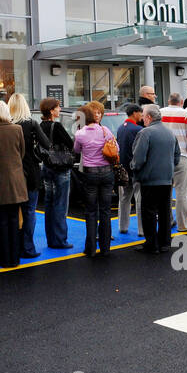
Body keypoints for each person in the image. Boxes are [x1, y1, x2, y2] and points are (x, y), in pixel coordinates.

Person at [0, 100, 27, 268]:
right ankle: (15, 258)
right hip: (16, 180)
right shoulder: (17, 129)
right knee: (15, 220)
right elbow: (21, 152)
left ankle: (4, 259)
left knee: (0, 221)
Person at [130, 104, 179, 252]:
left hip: (150, 179)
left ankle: (152, 244)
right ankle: (164, 242)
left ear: (149, 117)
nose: (142, 118)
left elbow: (138, 159)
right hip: (167, 178)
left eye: (144, 115)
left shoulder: (146, 133)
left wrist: (133, 167)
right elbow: (177, 156)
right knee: (164, 211)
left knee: (149, 212)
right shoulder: (170, 133)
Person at [72, 102, 116, 257]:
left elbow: (76, 150)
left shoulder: (80, 134)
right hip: (106, 172)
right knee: (105, 211)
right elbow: (116, 148)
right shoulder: (105, 130)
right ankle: (105, 248)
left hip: (90, 174)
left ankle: (90, 248)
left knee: (91, 211)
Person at [11, 93, 50, 257]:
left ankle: (13, 246)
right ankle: (27, 247)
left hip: (12, 173)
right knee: (29, 211)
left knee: (14, 212)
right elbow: (47, 144)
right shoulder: (32, 124)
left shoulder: (7, 125)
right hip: (31, 171)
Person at [38, 97, 75, 250]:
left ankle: (51, 239)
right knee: (61, 204)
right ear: (52, 110)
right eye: (58, 107)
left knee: (49, 203)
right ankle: (60, 240)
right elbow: (70, 144)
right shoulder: (57, 126)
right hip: (60, 168)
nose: (60, 110)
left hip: (47, 166)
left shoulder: (40, 125)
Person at [161, 93, 187, 229]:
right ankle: (183, 224)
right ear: (181, 101)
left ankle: (167, 221)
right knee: (181, 193)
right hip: (182, 156)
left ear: (168, 101)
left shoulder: (160, 113)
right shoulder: (186, 114)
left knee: (164, 192)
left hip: (163, 158)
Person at [116, 103, 144, 237]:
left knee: (124, 198)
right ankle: (142, 229)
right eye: (140, 113)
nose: (142, 115)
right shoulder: (138, 129)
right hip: (135, 169)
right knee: (140, 199)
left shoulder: (121, 128)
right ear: (135, 113)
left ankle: (122, 226)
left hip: (123, 169)